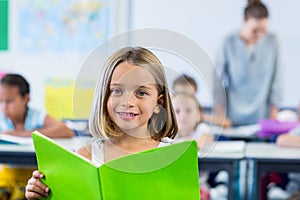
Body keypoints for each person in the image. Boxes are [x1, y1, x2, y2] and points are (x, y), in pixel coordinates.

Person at [25, 47, 179, 199]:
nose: (128, 102)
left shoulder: (175, 156)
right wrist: (42, 194)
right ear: (105, 96)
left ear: (159, 103)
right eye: (117, 91)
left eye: (141, 93)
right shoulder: (85, 156)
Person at [0, 74, 74, 200]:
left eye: (9, 101)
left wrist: (21, 134)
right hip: (6, 176)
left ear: (26, 98)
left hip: (33, 177)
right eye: (0, 101)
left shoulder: (36, 116)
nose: (4, 107)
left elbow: (66, 130)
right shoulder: (1, 118)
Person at [213, 0, 282, 127]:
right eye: (255, 30)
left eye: (263, 30)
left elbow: (276, 81)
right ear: (244, 21)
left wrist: (273, 120)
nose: (259, 35)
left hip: (262, 120)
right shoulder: (228, 43)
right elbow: (218, 82)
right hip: (232, 120)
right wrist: (221, 117)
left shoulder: (272, 41)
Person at [171, 93, 213, 200]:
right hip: (173, 183)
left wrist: (189, 142)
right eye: (177, 111)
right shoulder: (169, 133)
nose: (183, 115)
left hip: (198, 184)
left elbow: (205, 140)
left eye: (188, 111)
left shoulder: (201, 129)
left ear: (198, 115)